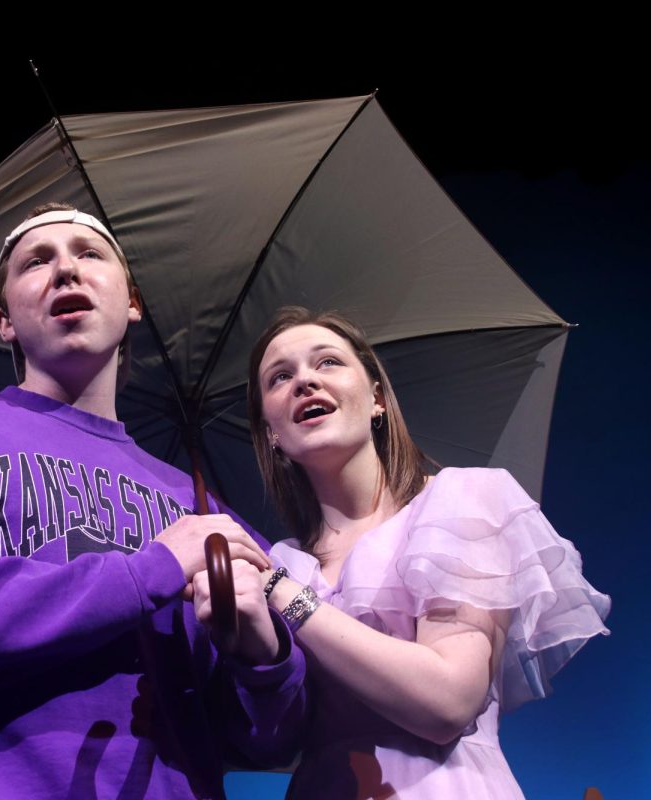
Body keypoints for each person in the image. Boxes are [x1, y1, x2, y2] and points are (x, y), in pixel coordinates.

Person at [0, 204, 305, 799]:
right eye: (37, 262)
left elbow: (272, 742)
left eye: (89, 253)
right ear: (5, 320)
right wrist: (147, 571)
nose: (65, 271)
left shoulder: (201, 510)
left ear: (131, 302)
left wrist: (260, 658)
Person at [241, 306, 610, 799]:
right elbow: (268, 739)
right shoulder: (276, 562)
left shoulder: (458, 505)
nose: (305, 381)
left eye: (327, 362)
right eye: (280, 377)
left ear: (376, 398)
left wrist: (284, 597)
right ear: (271, 432)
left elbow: (448, 702)